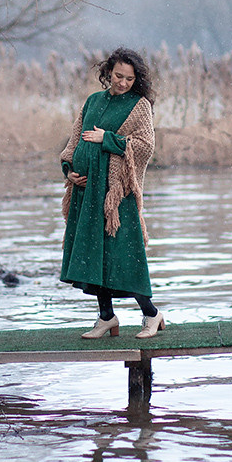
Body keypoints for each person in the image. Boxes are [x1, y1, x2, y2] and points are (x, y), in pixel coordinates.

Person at [60, 47, 164, 340]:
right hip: (87, 192)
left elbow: (144, 146)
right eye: (119, 76)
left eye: (129, 79)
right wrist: (69, 169)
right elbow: (73, 141)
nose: (122, 83)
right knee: (96, 255)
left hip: (117, 196)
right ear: (108, 72)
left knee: (125, 258)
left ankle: (152, 314)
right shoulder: (92, 101)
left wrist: (108, 139)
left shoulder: (139, 105)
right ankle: (106, 318)